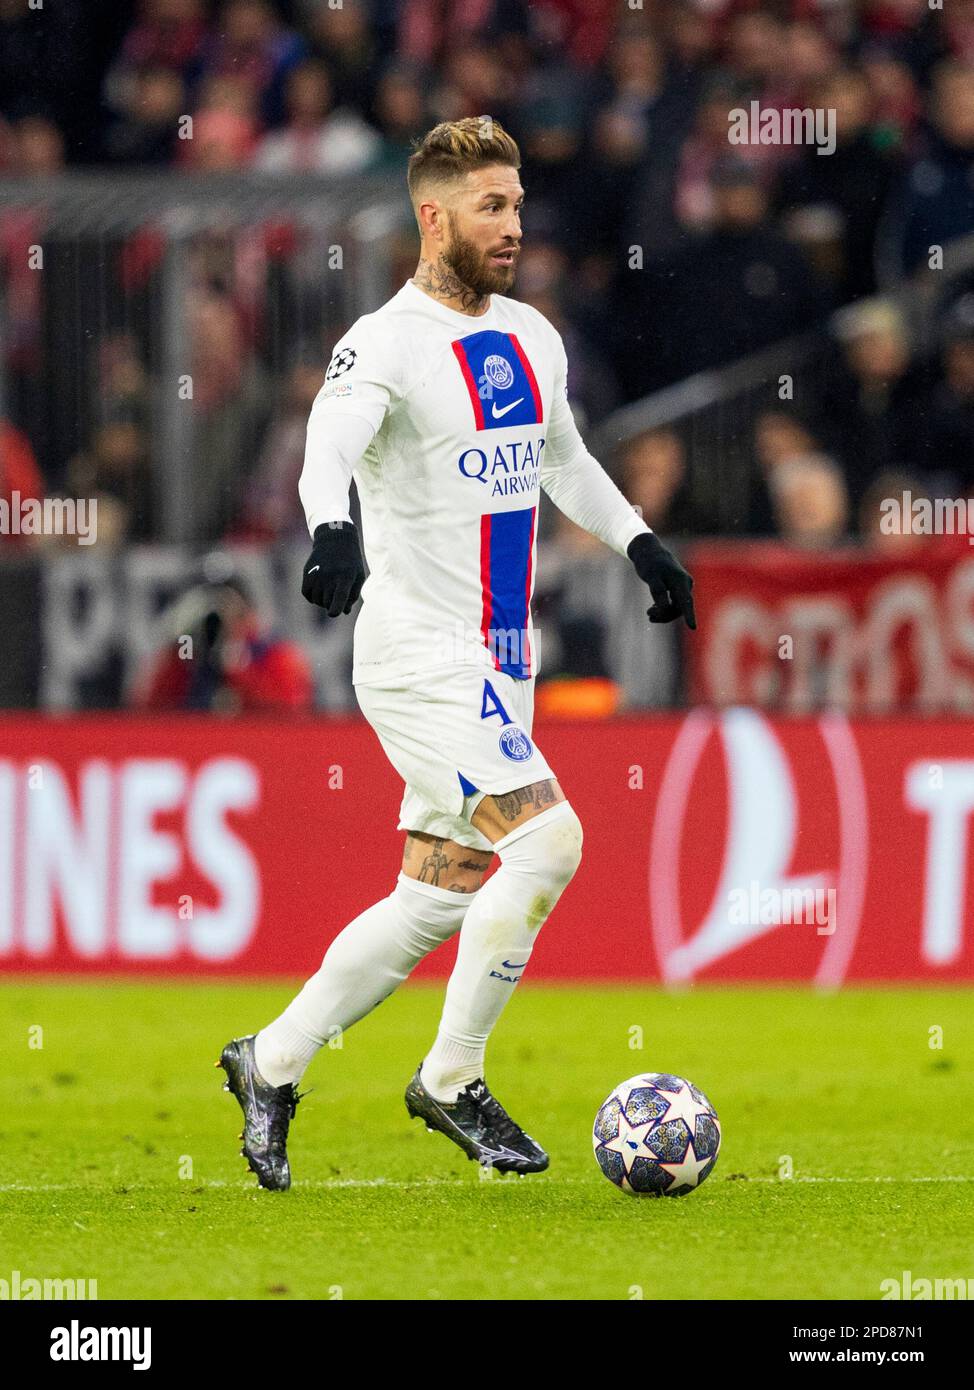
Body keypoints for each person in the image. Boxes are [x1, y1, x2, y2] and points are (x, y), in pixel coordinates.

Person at [217, 116, 695, 1190]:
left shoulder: (531, 334)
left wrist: (637, 541)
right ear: (430, 216)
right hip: (417, 652)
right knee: (551, 840)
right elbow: (325, 441)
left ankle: (271, 1059)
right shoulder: (382, 340)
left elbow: (561, 457)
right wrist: (331, 527)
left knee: (438, 890)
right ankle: (449, 1076)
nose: (512, 224)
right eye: (491, 206)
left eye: (517, 203)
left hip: (500, 663)